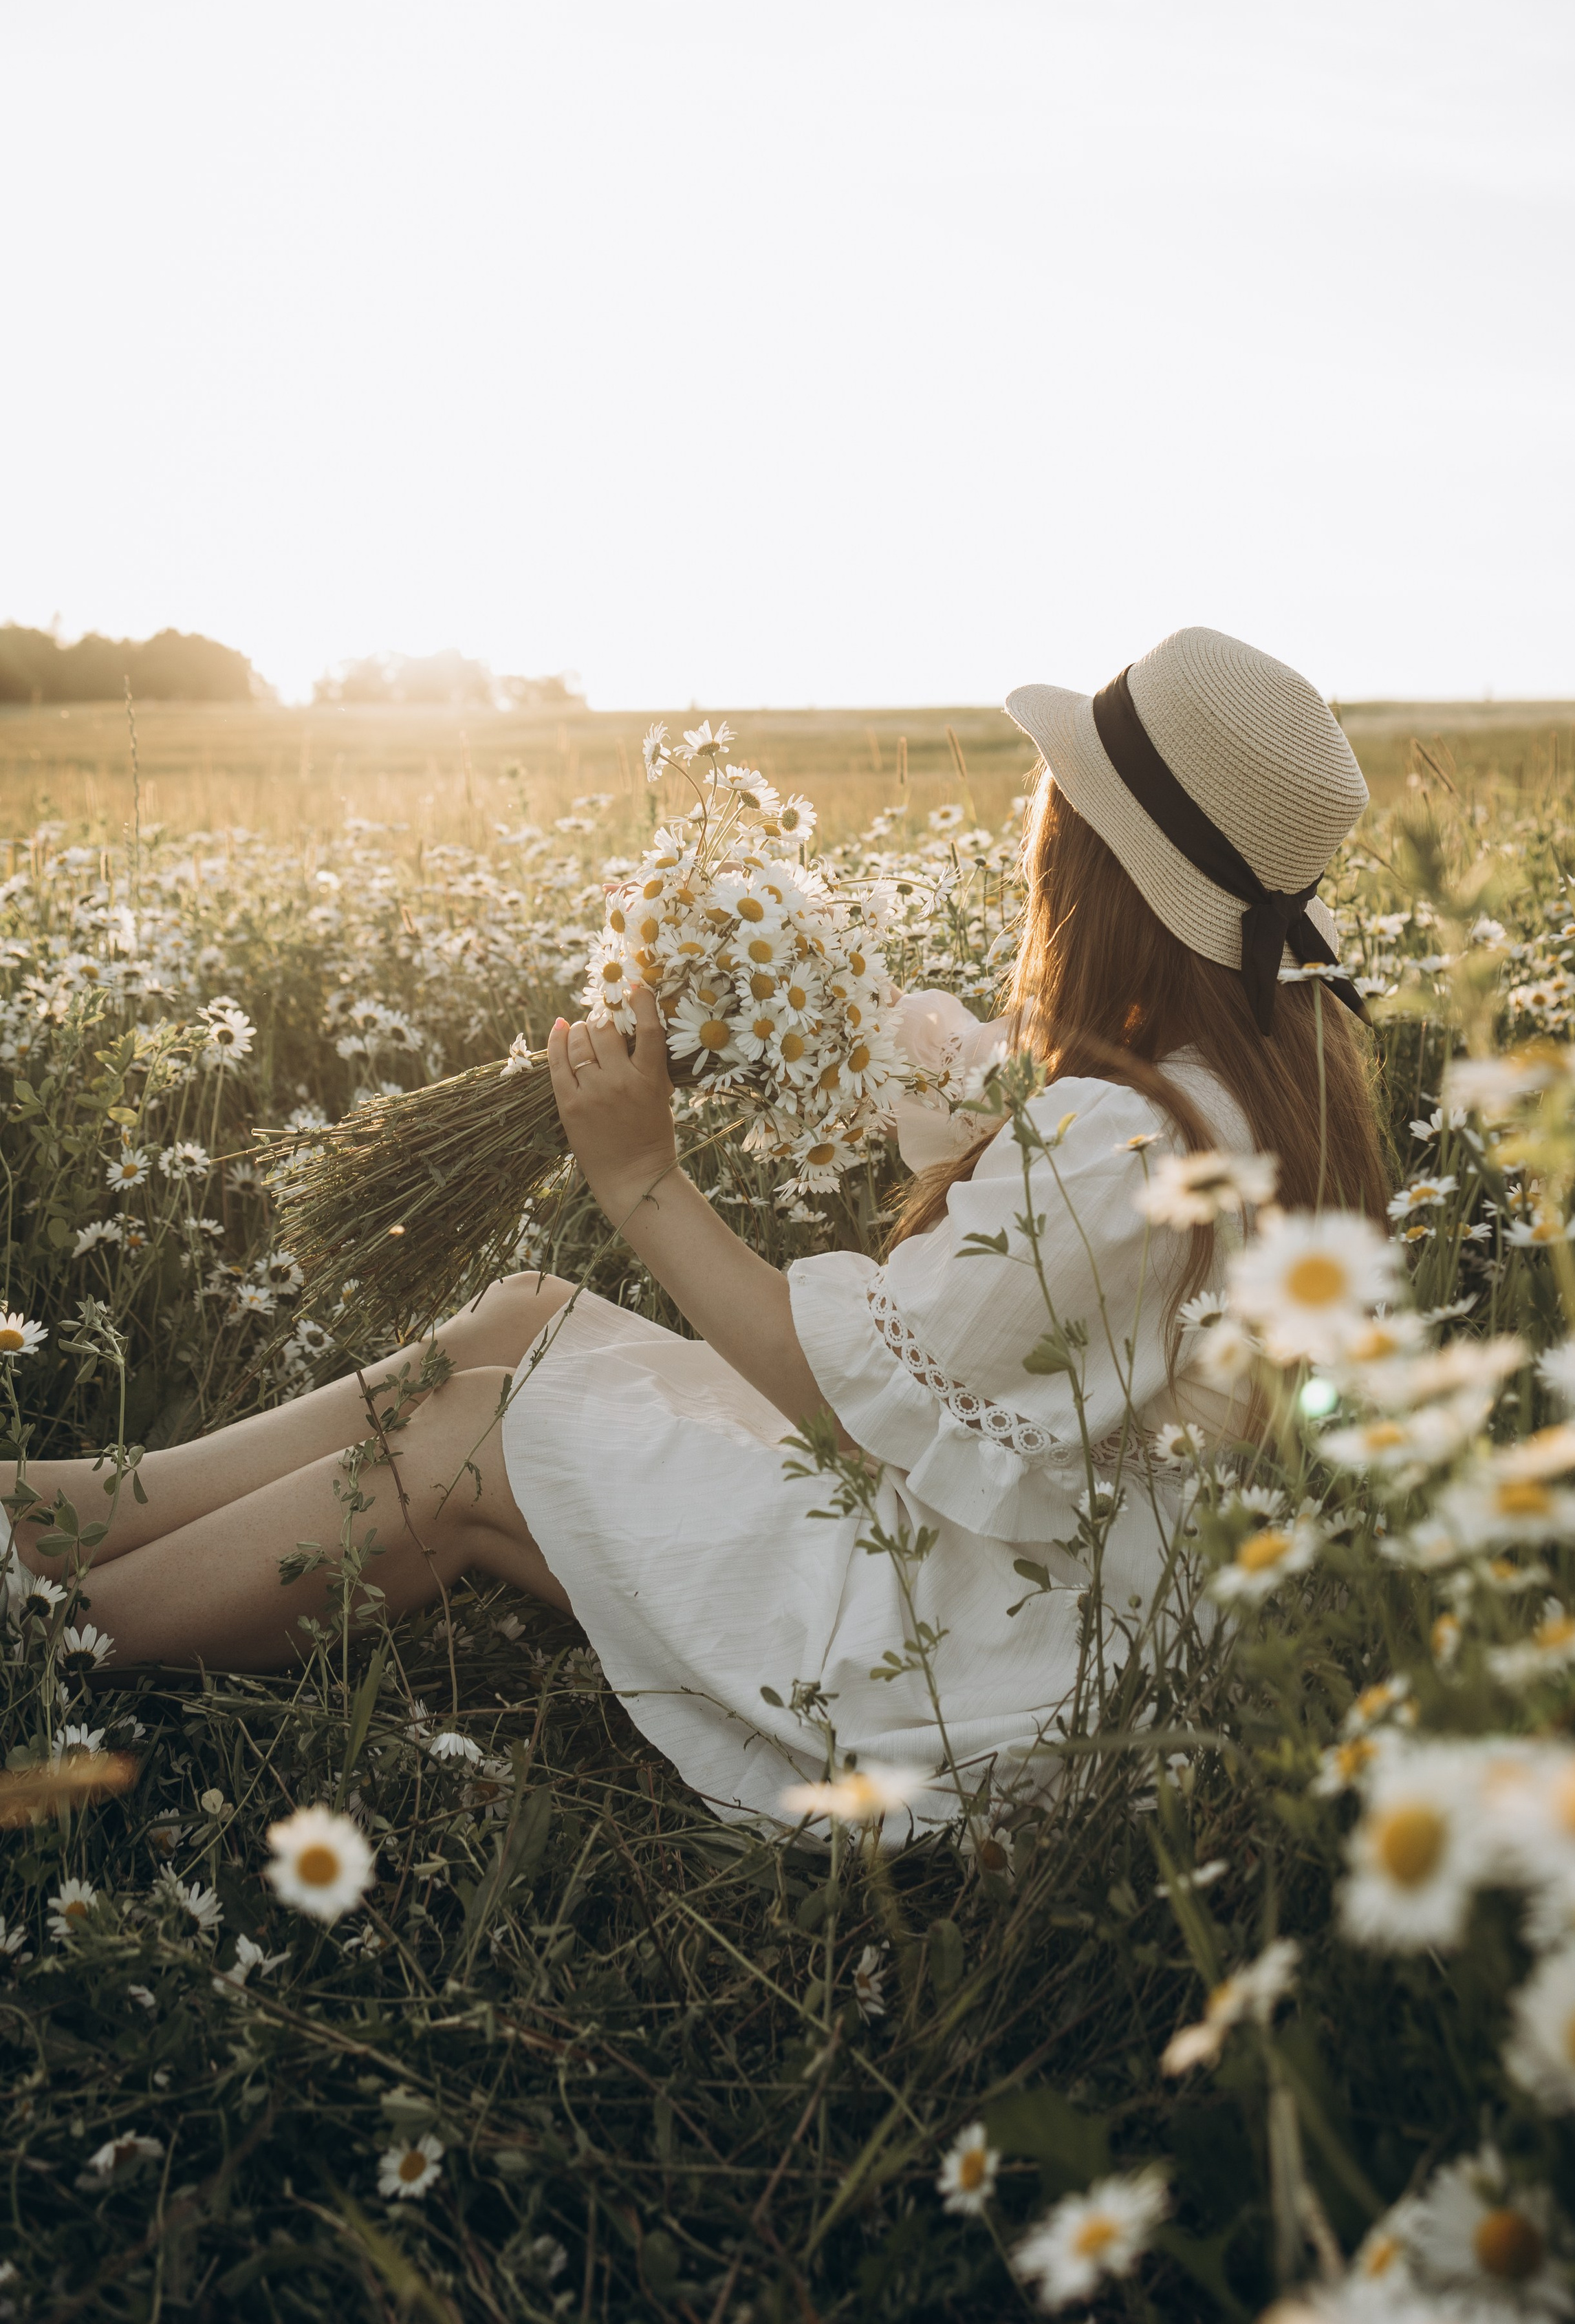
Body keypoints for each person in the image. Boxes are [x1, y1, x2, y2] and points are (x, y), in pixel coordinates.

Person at [10, 625, 1387, 1831]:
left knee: (479, 1430)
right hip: (1026, 1565)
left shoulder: (1126, 1142)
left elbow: (853, 1411)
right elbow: (980, 1083)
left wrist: (643, 1180)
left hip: (986, 1655)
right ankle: (49, 1520)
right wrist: (793, 999)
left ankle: (48, 1641)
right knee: (524, 1315)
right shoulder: (1246, 1069)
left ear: (1094, 868)